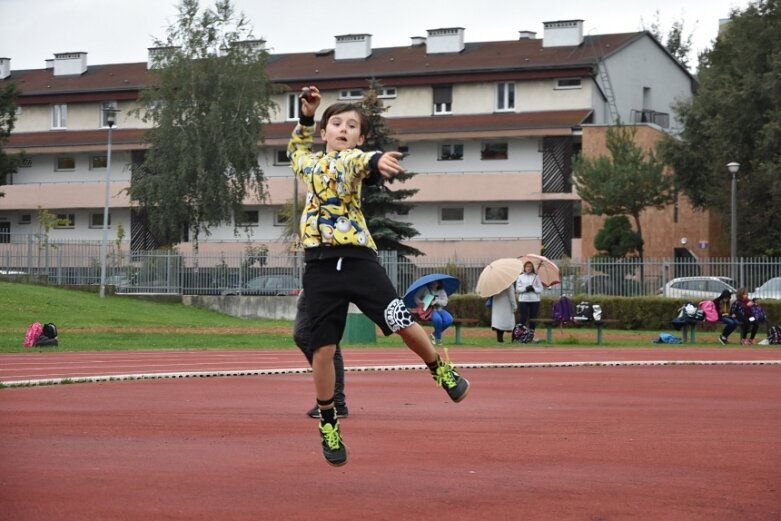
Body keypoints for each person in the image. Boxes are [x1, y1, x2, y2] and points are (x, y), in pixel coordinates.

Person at [287, 85, 470, 467]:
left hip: (357, 260)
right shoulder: (307, 162)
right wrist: (307, 115)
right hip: (320, 266)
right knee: (322, 347)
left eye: (351, 126)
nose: (342, 129)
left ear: (359, 137)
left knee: (399, 319)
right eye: (335, 123)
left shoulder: (353, 159)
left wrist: (375, 161)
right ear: (324, 133)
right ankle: (329, 422)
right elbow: (295, 149)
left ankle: (441, 369)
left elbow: (360, 164)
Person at [293, 290, 349, 418]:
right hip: (323, 284)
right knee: (328, 341)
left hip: (324, 286)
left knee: (305, 335)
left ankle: (334, 401)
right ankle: (336, 401)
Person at [413, 280, 453, 345]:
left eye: (436, 282)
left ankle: (434, 334)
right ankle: (438, 339)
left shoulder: (441, 291)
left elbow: (445, 302)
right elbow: (416, 297)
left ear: (439, 283)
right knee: (438, 319)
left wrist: (437, 301)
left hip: (440, 309)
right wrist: (421, 302)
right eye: (432, 282)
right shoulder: (424, 289)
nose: (434, 284)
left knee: (449, 320)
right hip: (429, 311)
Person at [516, 261, 543, 330]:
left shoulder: (536, 277)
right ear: (524, 268)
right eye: (527, 266)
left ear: (532, 268)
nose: (529, 268)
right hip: (523, 300)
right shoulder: (520, 277)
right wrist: (525, 289)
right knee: (523, 318)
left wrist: (534, 289)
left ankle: (531, 334)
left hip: (534, 300)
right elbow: (518, 289)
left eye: (530, 266)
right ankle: (521, 335)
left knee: (533, 319)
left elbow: (540, 289)